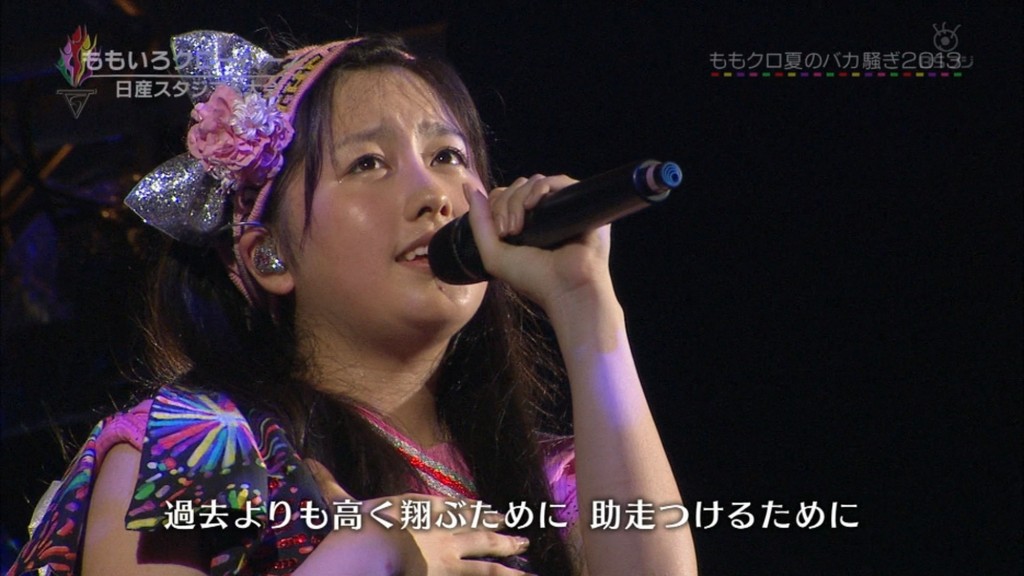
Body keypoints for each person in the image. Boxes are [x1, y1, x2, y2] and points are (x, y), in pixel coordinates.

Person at [10, 30, 696, 576]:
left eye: (449, 156)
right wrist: (362, 562)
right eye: (368, 163)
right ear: (270, 257)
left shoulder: (549, 479)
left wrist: (586, 304)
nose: (434, 196)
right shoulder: (199, 443)